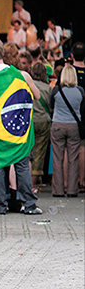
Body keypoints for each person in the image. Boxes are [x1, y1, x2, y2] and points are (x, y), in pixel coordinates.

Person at [0, 38, 42, 215]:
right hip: (17, 131)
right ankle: (29, 205)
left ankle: (0, 205)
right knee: (21, 166)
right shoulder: (20, 75)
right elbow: (36, 96)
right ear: (3, 53)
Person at [50, 63, 85, 198]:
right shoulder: (81, 91)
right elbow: (82, 108)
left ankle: (58, 190)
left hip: (58, 124)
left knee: (58, 158)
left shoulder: (56, 90)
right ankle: (72, 190)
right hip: (73, 126)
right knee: (73, 158)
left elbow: (51, 105)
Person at [30, 62, 52, 190]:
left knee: (28, 151)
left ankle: (26, 182)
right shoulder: (48, 88)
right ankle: (33, 184)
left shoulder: (27, 86)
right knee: (39, 153)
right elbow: (50, 107)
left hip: (29, 121)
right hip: (43, 121)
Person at [70, 41, 85, 192]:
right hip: (84, 114)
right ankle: (82, 181)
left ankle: (68, 183)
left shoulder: (69, 72)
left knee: (69, 150)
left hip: (71, 114)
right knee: (82, 148)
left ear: (72, 55)